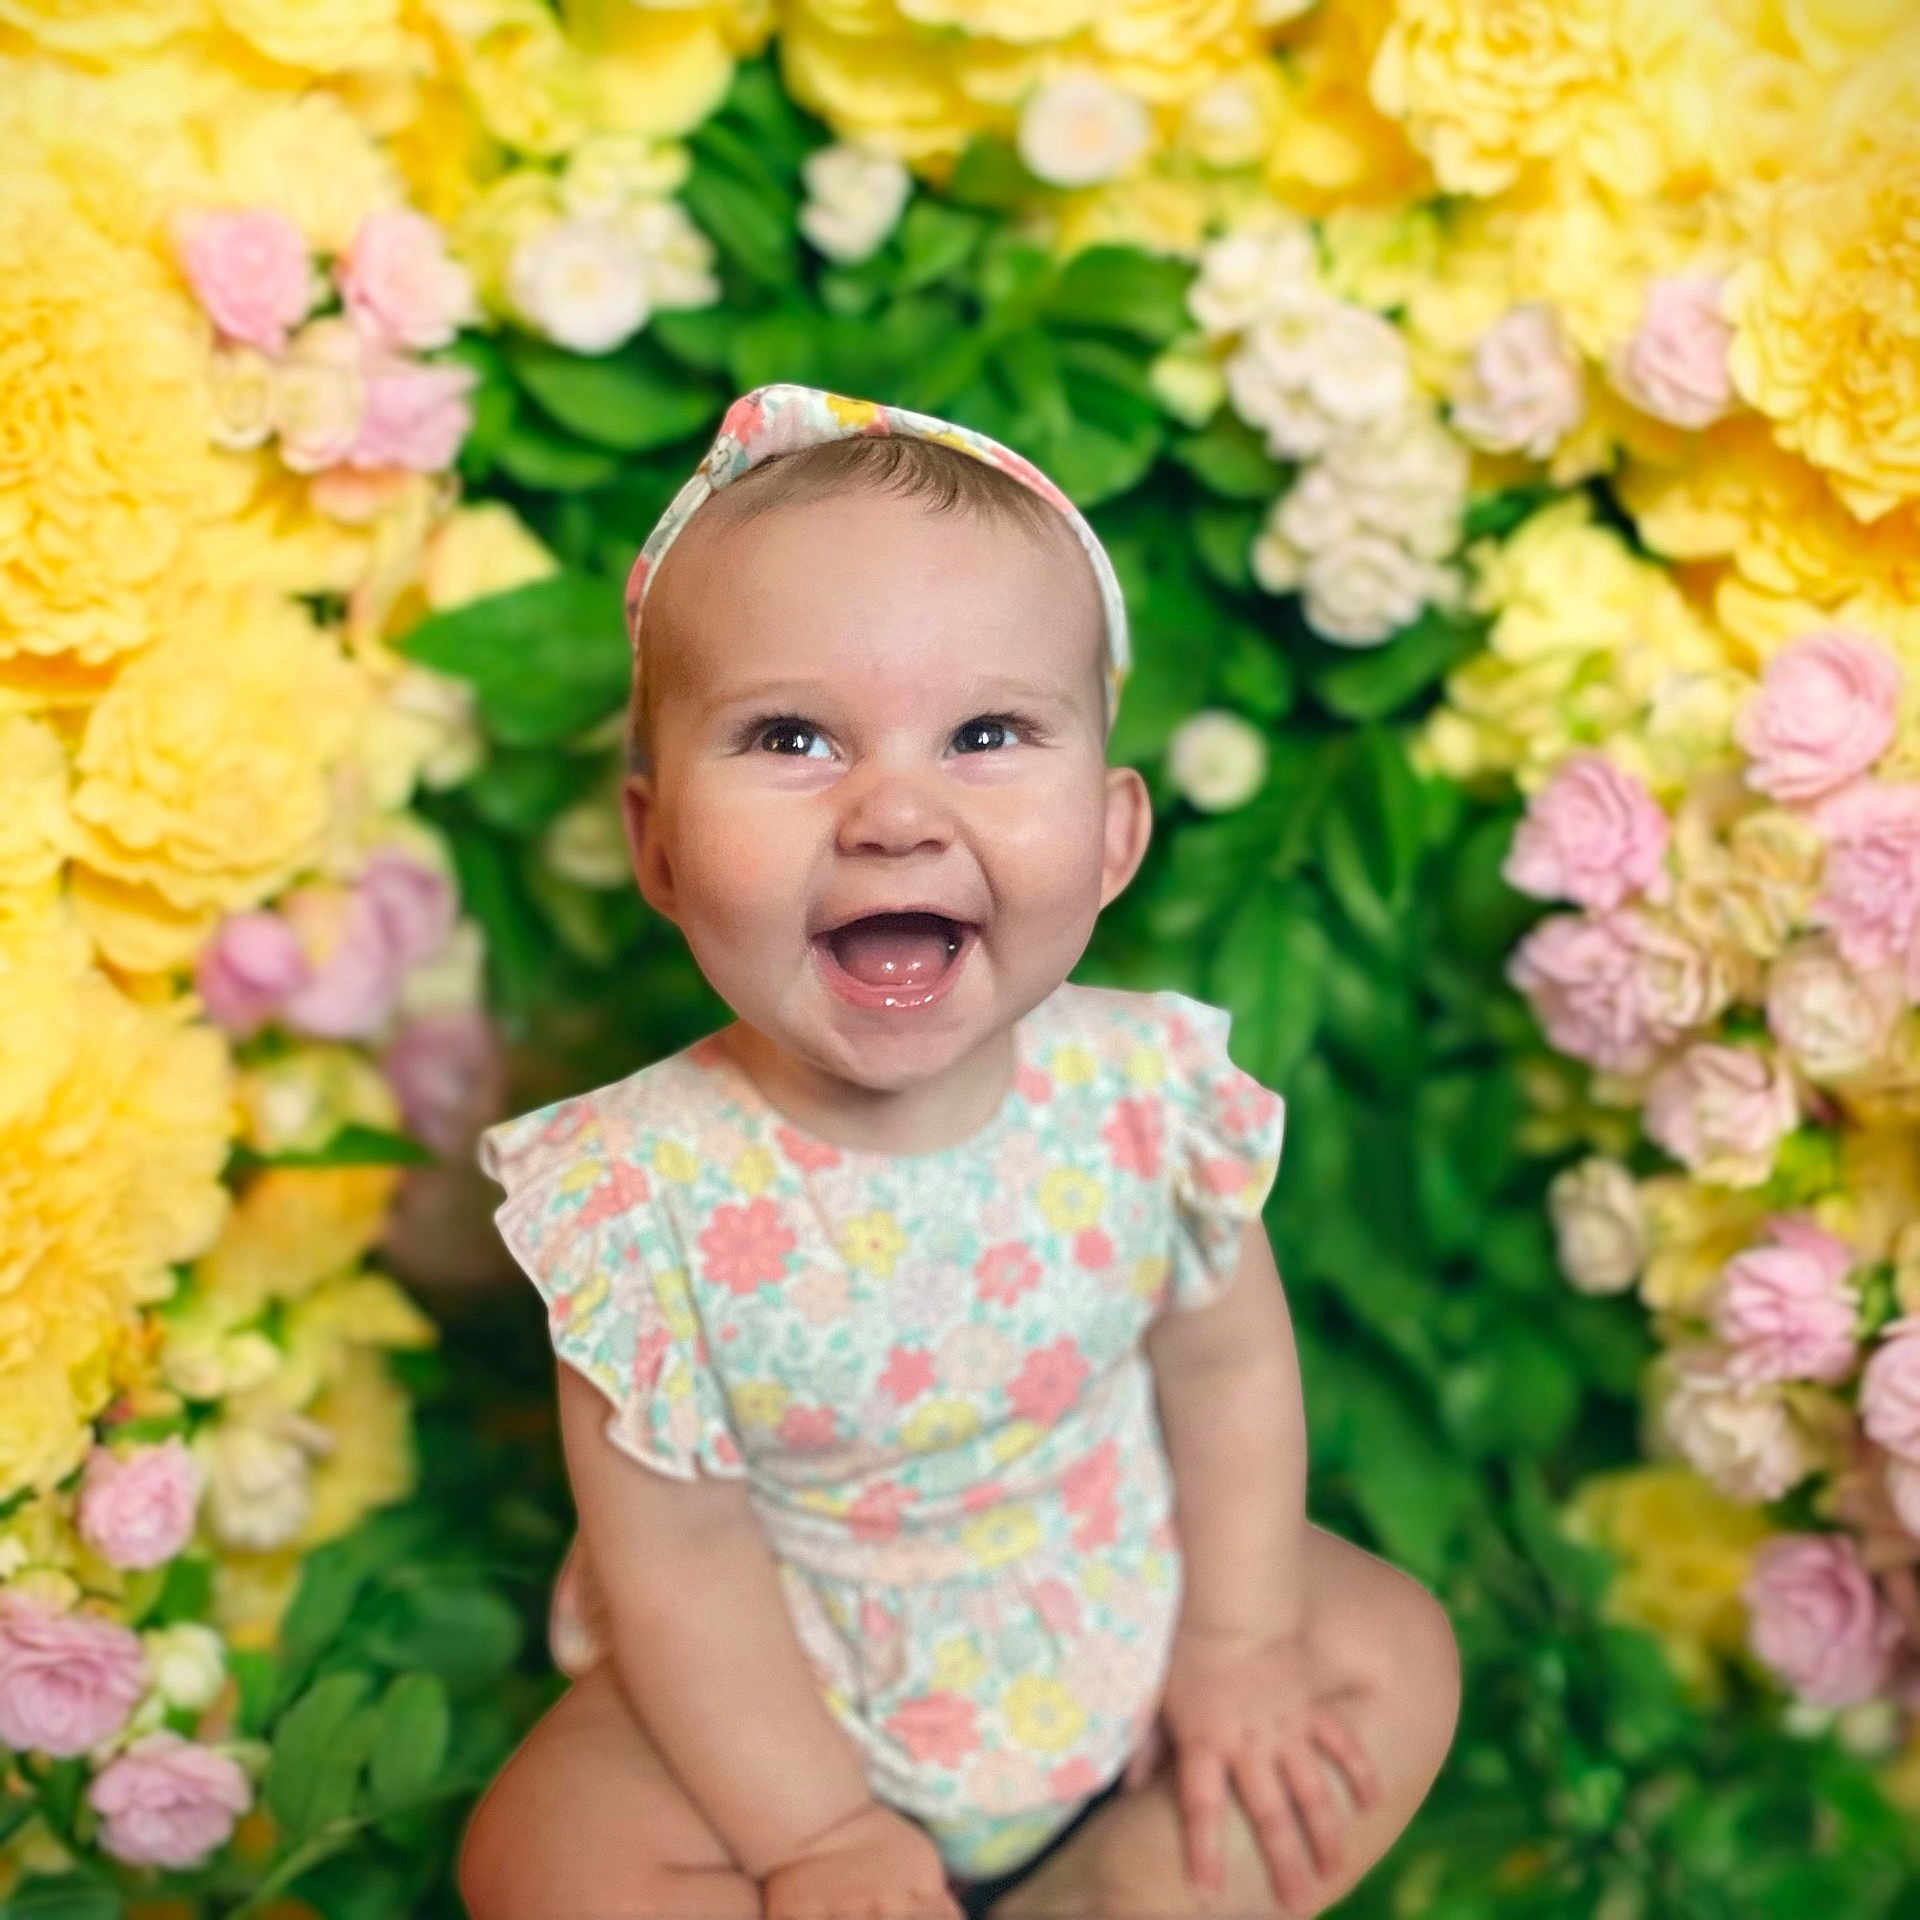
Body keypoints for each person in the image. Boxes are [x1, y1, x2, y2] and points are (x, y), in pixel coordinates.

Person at [457, 385, 1460, 1920]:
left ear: (1116, 836)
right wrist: (815, 1836)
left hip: (1111, 1586)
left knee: (1388, 1658)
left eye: (986, 732)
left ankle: (1114, 1894)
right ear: (656, 846)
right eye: (791, 737)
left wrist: (1242, 1640)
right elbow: (681, 1566)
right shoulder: (637, 1196)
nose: (895, 813)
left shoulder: (1144, 1095)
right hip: (781, 1681)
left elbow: (1229, 1375)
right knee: (544, 1861)